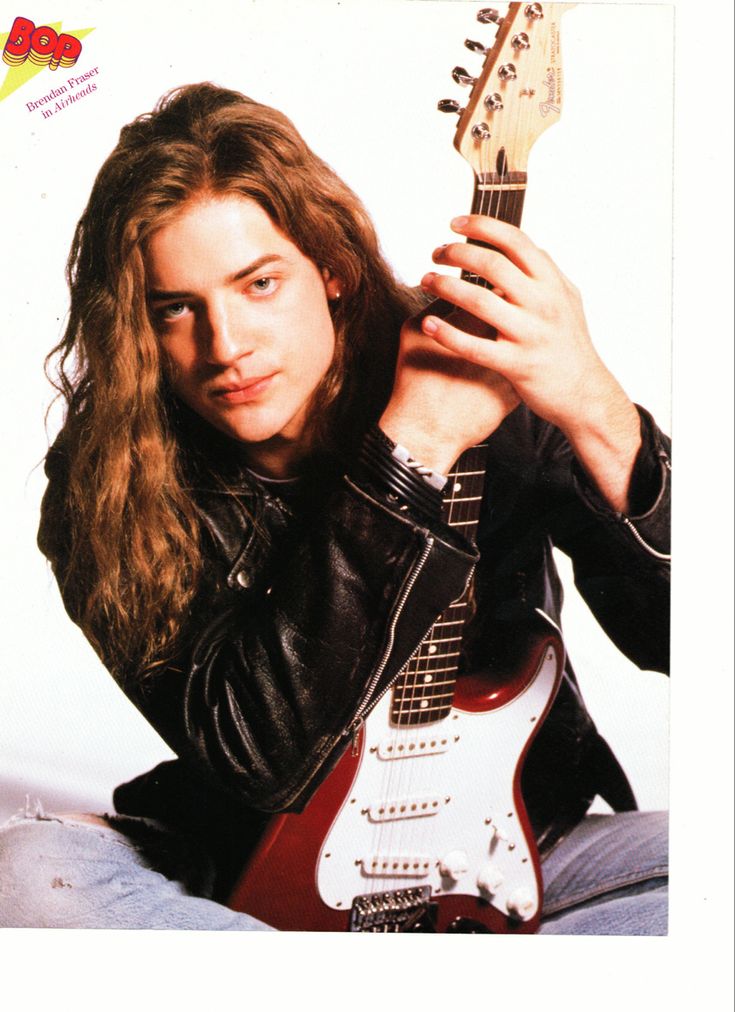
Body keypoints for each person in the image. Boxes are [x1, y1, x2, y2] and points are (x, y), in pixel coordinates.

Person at [0, 83, 669, 933]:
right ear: (137, 326)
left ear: (332, 270)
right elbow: (265, 761)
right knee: (27, 875)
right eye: (176, 309)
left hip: (521, 850)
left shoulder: (480, 379)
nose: (227, 346)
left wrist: (600, 415)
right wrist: (410, 451)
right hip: (248, 870)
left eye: (260, 284)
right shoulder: (109, 487)